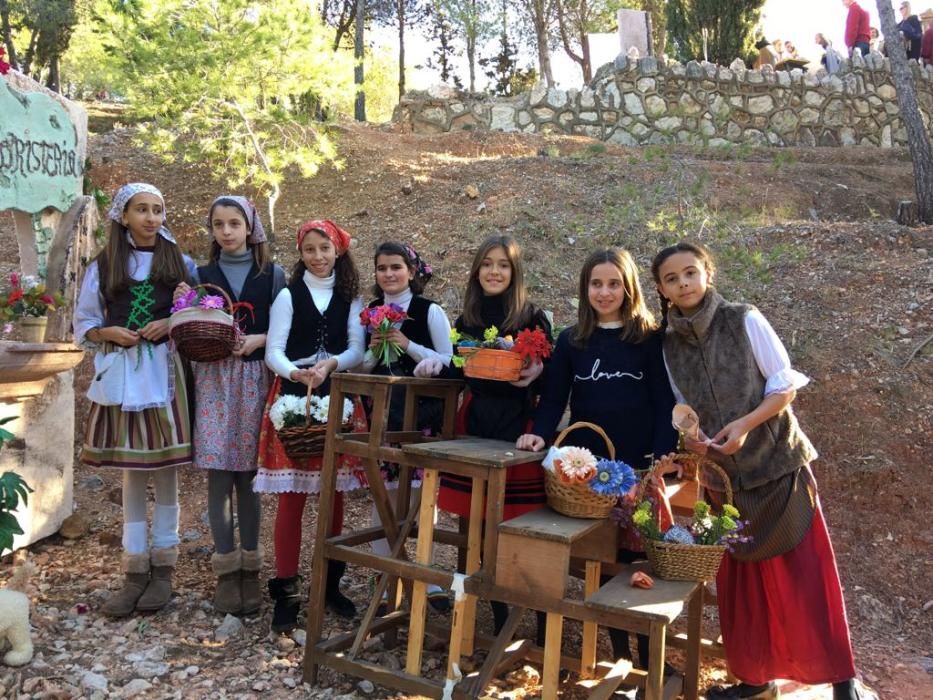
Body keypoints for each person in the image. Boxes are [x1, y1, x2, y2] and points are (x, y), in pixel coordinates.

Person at [650, 241, 878, 700]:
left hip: (778, 465)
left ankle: (841, 678)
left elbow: (783, 385)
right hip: (725, 481)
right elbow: (683, 404)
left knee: (807, 575)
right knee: (743, 586)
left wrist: (746, 426)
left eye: (690, 273)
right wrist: (692, 436)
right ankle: (754, 678)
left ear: (707, 274)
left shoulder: (744, 318)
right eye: (672, 279)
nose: (683, 283)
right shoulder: (667, 344)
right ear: (661, 290)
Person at [516, 247, 677, 674]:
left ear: (628, 288)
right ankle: (620, 655)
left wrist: (661, 459)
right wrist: (539, 433)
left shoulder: (649, 338)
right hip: (587, 472)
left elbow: (665, 404)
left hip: (638, 470)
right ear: (585, 288)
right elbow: (554, 399)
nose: (604, 293)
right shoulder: (572, 341)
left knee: (637, 565)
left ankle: (651, 661)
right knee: (601, 563)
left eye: (613, 284)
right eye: (595, 284)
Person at [415, 233, 552, 637]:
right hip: (476, 427)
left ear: (515, 271)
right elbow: (460, 369)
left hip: (519, 431)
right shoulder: (467, 320)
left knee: (525, 527)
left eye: (503, 264)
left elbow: (553, 373)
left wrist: (541, 371)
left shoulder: (532, 316)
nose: (494, 271)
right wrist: (436, 366)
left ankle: (543, 623)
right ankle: (500, 618)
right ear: (477, 271)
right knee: (477, 529)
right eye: (487, 263)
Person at [74, 183, 196, 617]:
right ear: (123, 216)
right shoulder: (104, 264)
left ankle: (164, 567)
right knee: (131, 474)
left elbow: (200, 311)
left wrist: (171, 322)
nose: (150, 217)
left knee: (164, 471)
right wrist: (106, 332)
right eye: (141, 209)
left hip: (164, 373)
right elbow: (85, 320)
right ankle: (133, 570)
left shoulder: (178, 262)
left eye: (157, 210)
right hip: (123, 376)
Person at [174, 196, 286, 616]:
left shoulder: (273, 275)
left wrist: (260, 339)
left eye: (234, 223)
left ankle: (250, 568)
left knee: (250, 478)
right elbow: (183, 325)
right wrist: (184, 301)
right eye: (218, 224)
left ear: (250, 227)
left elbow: (286, 326)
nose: (226, 231)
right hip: (214, 380)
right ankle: (225, 570)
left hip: (256, 380)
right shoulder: (199, 275)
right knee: (219, 475)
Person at [256, 219, 367, 632]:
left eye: (325, 248)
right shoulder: (288, 295)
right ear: (300, 254)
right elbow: (274, 351)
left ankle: (330, 583)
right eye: (309, 250)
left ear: (337, 250)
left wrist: (332, 363)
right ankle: (286, 590)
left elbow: (357, 347)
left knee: (332, 494)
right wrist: (296, 372)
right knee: (291, 495)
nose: (318, 257)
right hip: (292, 396)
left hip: (336, 395)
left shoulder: (350, 297)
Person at [359, 241, 453, 613]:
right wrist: (374, 348)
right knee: (382, 498)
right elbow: (363, 366)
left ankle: (427, 579)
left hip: (423, 417)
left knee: (421, 500)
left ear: (411, 271)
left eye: (396, 267)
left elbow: (449, 361)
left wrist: (407, 344)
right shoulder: (369, 312)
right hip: (382, 416)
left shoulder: (430, 312)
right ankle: (384, 580)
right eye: (382, 268)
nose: (389, 274)